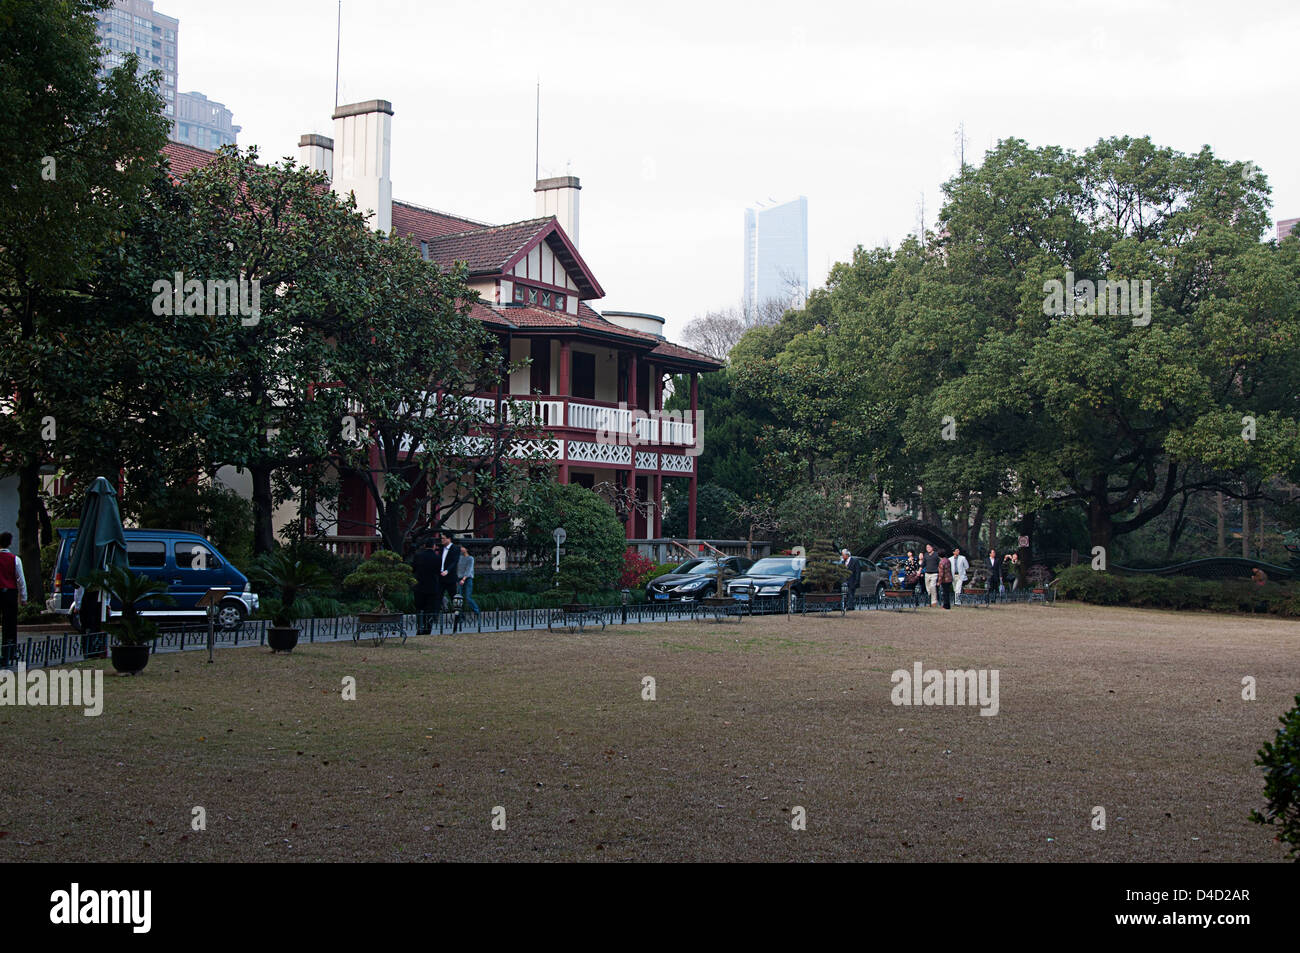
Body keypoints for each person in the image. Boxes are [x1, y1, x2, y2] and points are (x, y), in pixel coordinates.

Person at [0, 532, 28, 668]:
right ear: (10, 543)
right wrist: (24, 597)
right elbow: (21, 580)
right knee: (9, 623)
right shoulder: (15, 559)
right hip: (10, 593)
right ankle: (9, 651)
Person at [411, 537, 440, 634]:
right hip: (432, 586)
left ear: (424, 546)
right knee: (430, 609)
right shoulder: (437, 558)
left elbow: (413, 569)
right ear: (434, 546)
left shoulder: (418, 556)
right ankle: (428, 628)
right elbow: (438, 572)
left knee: (419, 608)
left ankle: (420, 627)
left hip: (419, 585)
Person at [436, 532, 460, 617]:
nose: (442, 540)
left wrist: (448, 570)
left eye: (443, 538)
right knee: (438, 596)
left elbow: (454, 562)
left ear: (449, 539)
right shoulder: (442, 549)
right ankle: (435, 616)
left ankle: (460, 616)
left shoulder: (455, 548)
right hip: (441, 576)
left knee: (454, 597)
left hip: (450, 577)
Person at [457, 545, 481, 619]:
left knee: (468, 597)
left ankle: (477, 611)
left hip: (468, 579)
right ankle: (460, 616)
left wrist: (463, 579)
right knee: (459, 599)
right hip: (459, 578)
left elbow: (469, 569)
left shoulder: (470, 558)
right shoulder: (459, 558)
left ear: (466, 549)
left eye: (462, 547)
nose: (461, 549)